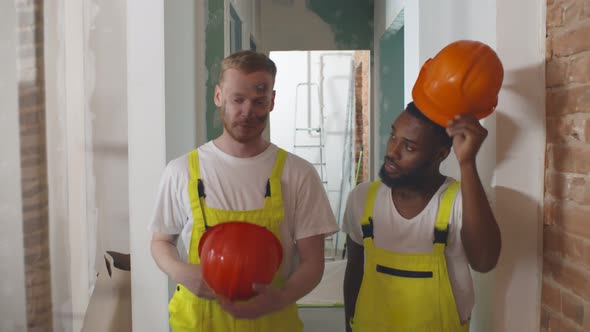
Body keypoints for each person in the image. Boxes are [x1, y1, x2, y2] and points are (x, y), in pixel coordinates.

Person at [149, 50, 339, 332]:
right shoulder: (182, 171)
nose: (247, 111)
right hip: (198, 323)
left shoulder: (298, 174)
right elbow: (160, 241)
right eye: (237, 100)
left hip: (273, 324)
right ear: (218, 96)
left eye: (258, 101)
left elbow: (313, 262)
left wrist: (281, 298)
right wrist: (184, 273)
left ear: (272, 101)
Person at [342, 102, 501, 331]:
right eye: (393, 136)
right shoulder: (362, 199)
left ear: (440, 154)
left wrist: (467, 162)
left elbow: (485, 262)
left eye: (409, 147)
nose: (392, 152)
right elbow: (354, 268)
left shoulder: (461, 201)